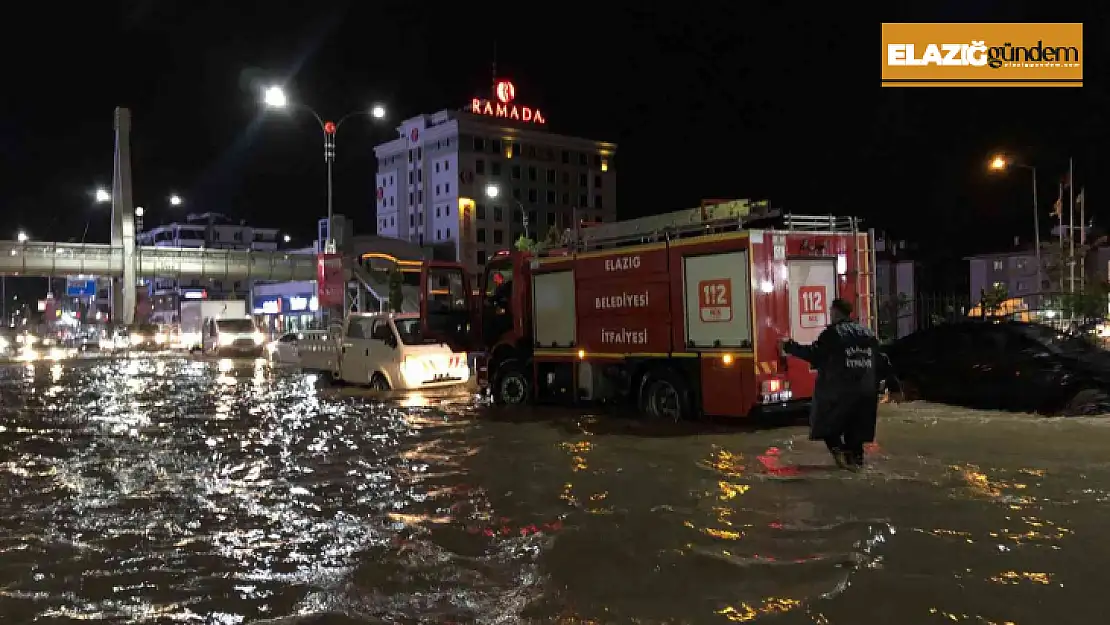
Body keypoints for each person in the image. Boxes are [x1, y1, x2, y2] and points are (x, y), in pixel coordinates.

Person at [780, 298, 887, 470]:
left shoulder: (833, 334)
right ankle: (855, 466)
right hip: (866, 392)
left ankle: (841, 454)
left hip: (839, 392)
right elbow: (882, 360)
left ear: (835, 312)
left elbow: (814, 355)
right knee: (856, 434)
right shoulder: (868, 333)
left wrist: (790, 347)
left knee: (827, 426)